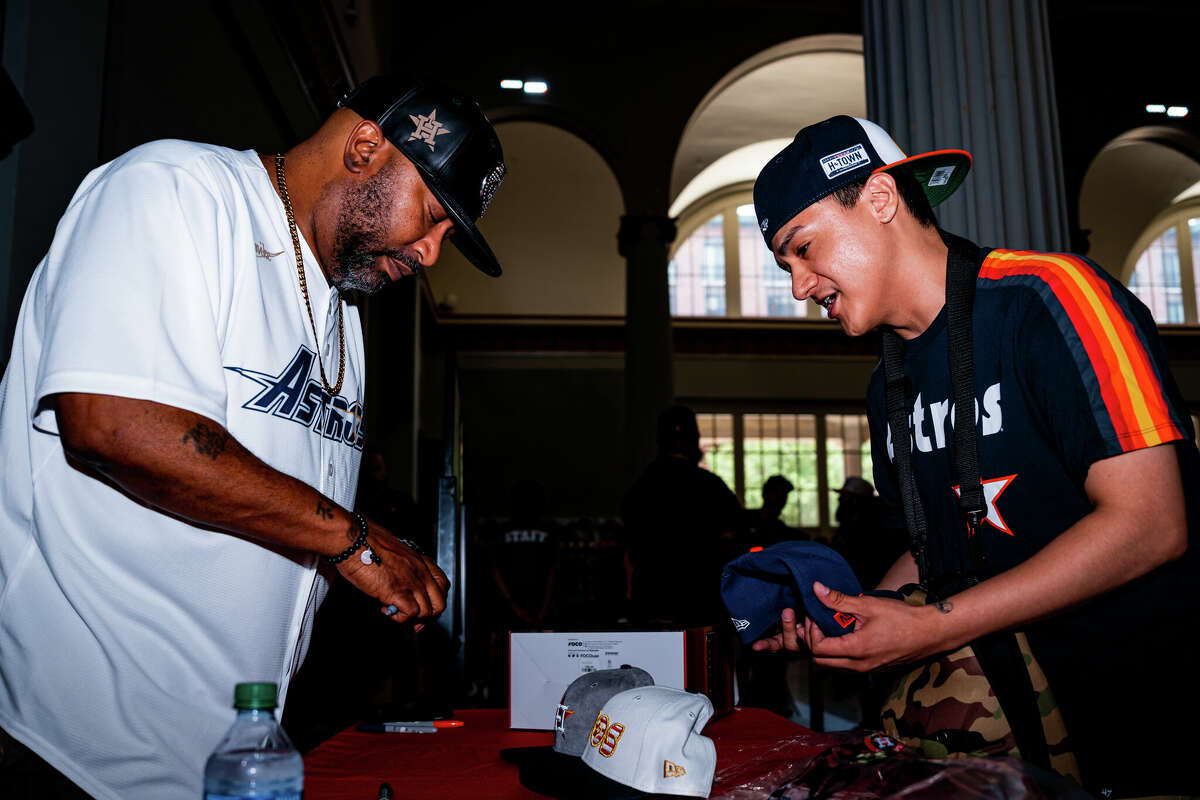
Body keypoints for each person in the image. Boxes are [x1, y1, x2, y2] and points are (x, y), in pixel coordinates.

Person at [0, 75, 506, 800]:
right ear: (365, 146)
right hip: (68, 751)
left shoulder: (342, 314)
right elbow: (112, 423)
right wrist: (354, 541)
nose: (430, 255)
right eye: (430, 215)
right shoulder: (177, 191)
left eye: (445, 237)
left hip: (229, 761)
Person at [748, 116, 1198, 797]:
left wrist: (931, 628)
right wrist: (850, 614)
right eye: (786, 266)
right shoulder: (886, 382)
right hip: (1016, 738)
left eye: (804, 248)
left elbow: (1154, 522)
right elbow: (942, 548)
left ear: (878, 198)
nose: (800, 287)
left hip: (1144, 721)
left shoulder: (1050, 297)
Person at [621, 405, 742, 628]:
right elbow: (732, 543)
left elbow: (628, 552)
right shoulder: (712, 487)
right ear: (694, 440)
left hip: (651, 601)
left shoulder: (640, 488)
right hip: (700, 603)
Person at [741, 474, 806, 550]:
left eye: (784, 495)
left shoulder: (780, 528)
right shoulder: (744, 519)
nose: (781, 500)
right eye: (777, 494)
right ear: (765, 494)